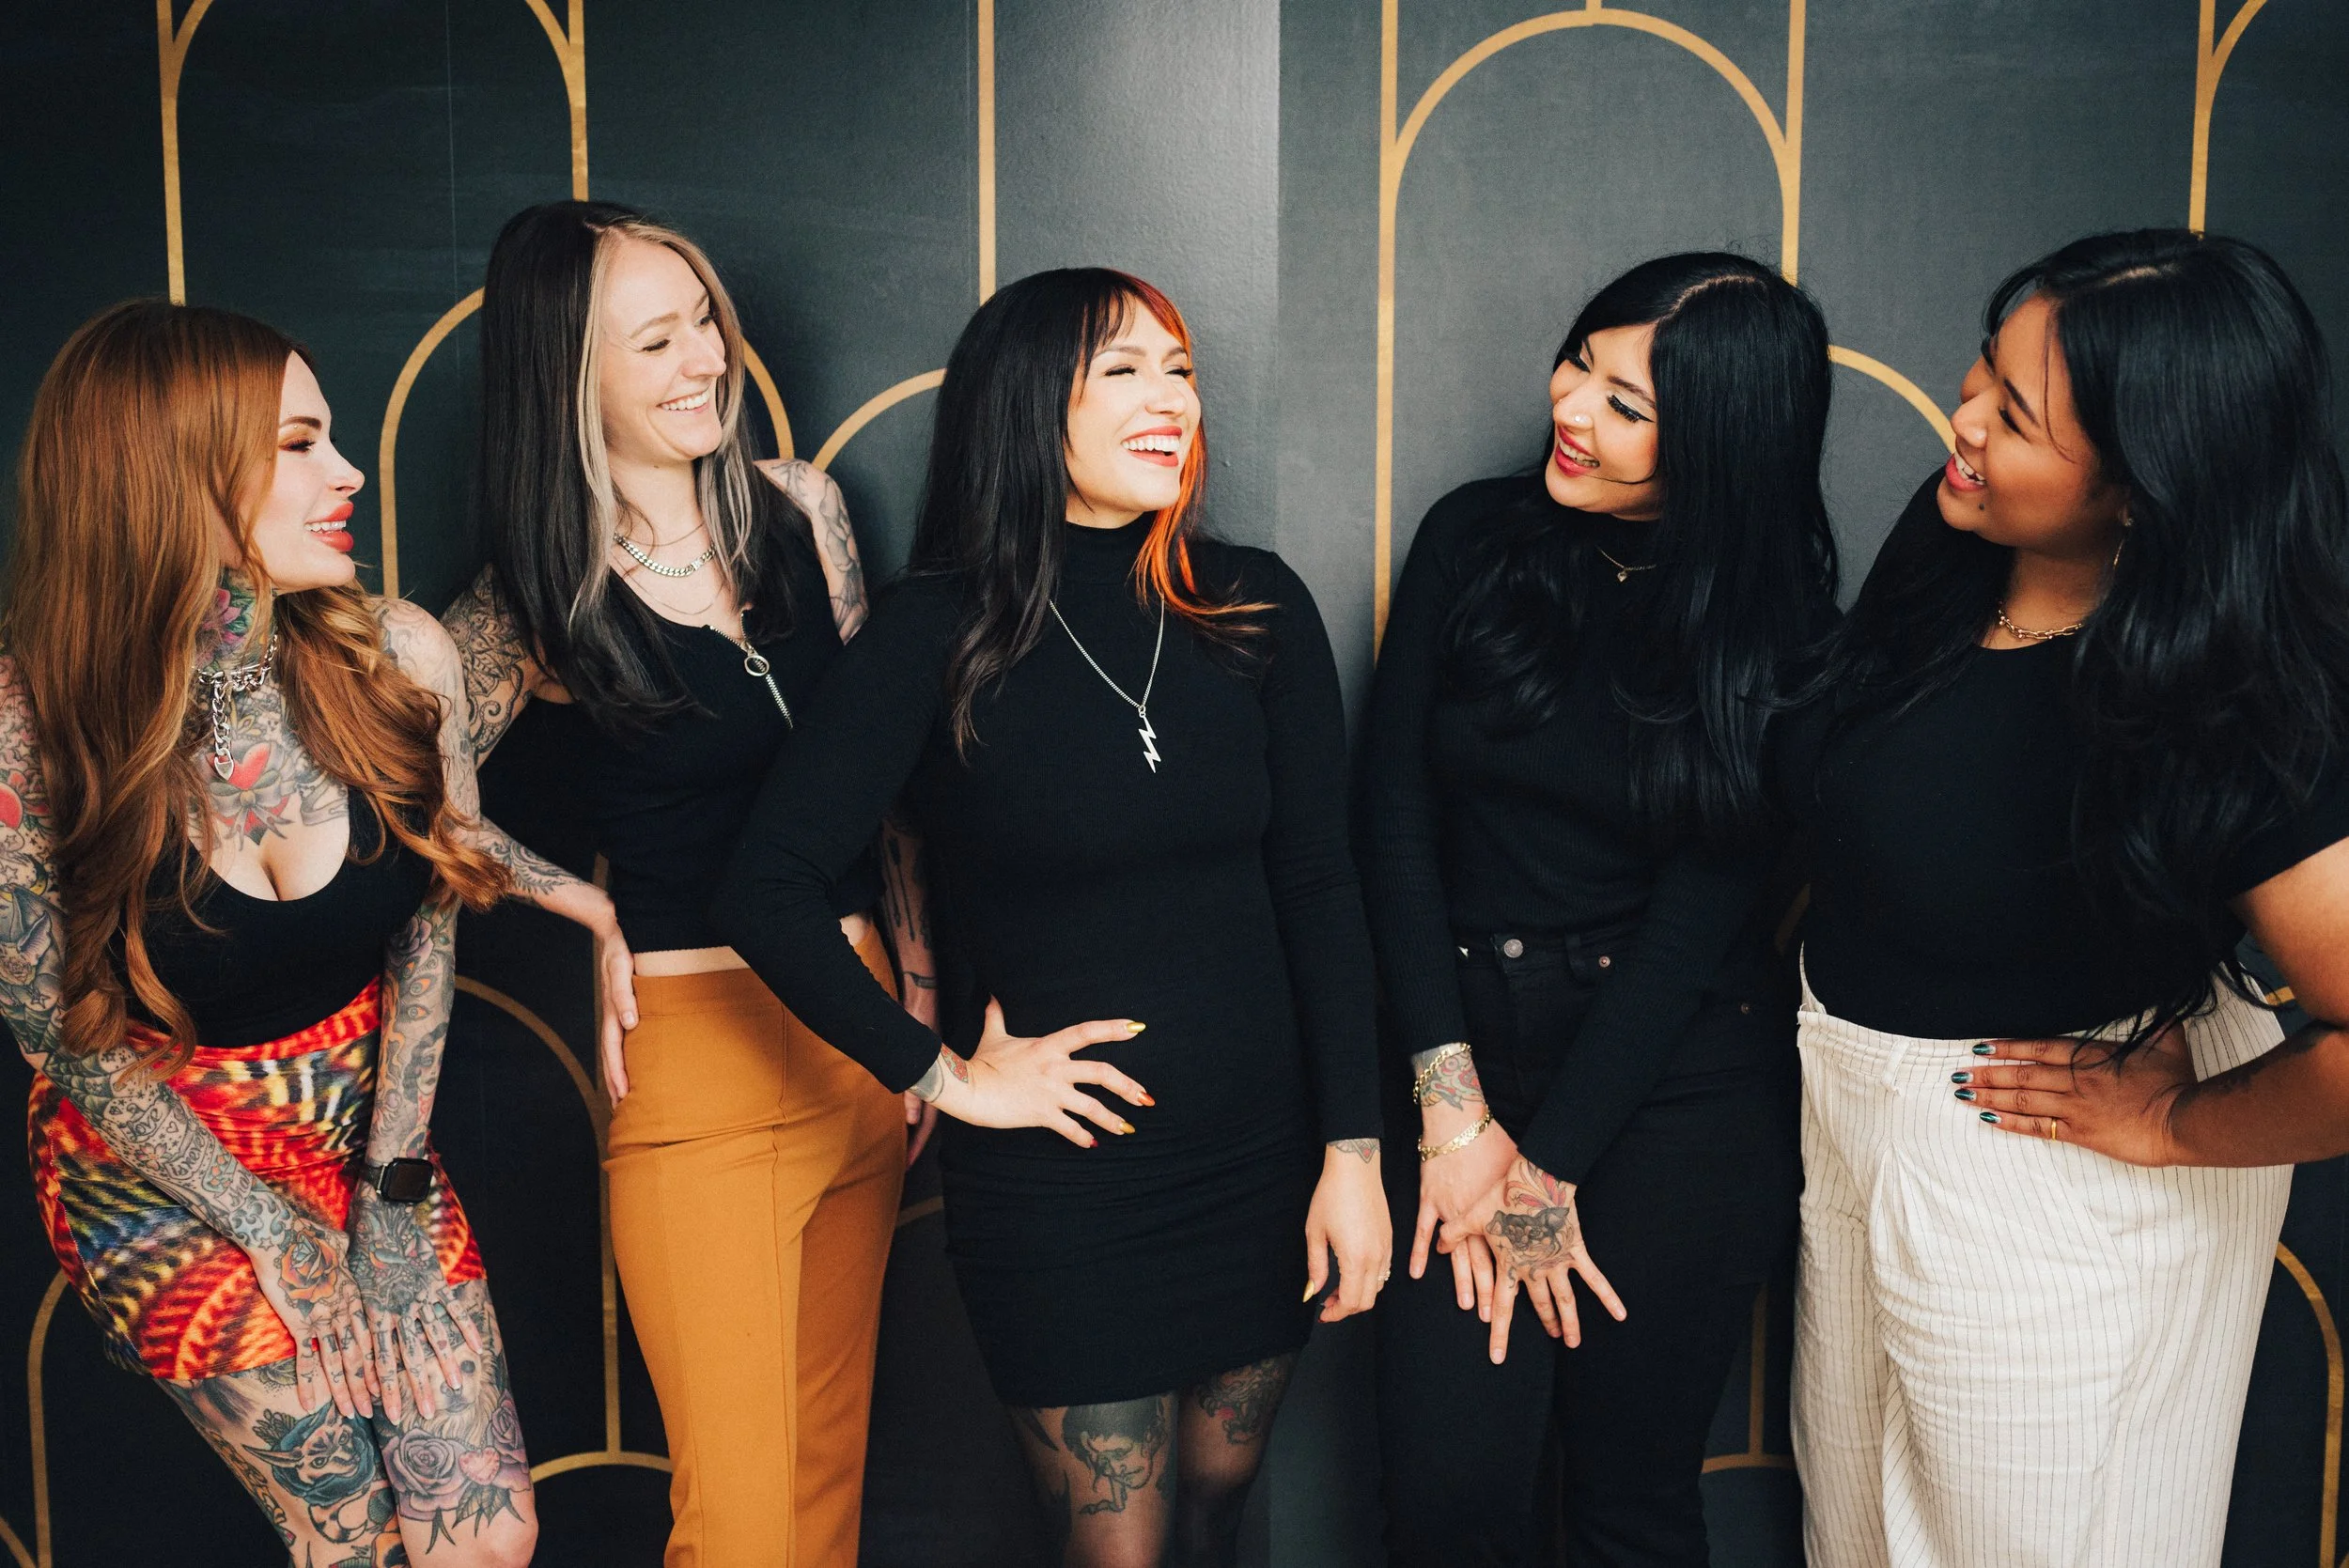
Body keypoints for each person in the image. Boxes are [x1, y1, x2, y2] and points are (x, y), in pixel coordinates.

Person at [711, 267, 1392, 1568]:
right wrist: (946, 1077)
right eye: (1122, 370)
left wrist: (1352, 1157)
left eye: (1179, 370)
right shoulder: (937, 631)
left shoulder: (1254, 605)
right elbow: (768, 883)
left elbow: (1320, 885)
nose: (1170, 399)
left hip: (1260, 1162)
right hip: (1065, 1194)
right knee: (1115, 1552)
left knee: (1213, 1520)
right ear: (1028, 405)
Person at [1781, 228, 2349, 1568]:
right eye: (1984, 367)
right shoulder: (1958, 545)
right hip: (1856, 1133)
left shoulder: (2228, 702)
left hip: (2047, 1184)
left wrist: (2176, 1125)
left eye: (2018, 416)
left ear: (2145, 489)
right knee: (1851, 1542)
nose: (1967, 419)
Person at [437, 199, 934, 1568]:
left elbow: (879, 785)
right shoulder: (530, 602)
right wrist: (575, 897)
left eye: (702, 321)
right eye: (654, 341)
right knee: (740, 1524)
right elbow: (410, 798)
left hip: (858, 1034)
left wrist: (916, 991)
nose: (704, 359)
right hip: (701, 1063)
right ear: (568, 377)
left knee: (825, 1492)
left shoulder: (804, 512)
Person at [8, 300, 535, 1566]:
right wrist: (270, 1229)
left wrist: (390, 1192)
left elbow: (426, 937)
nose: (346, 474)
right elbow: (56, 1034)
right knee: (355, 1543)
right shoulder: (25, 726)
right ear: (165, 474)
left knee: (486, 1539)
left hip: (361, 1127)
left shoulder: (398, 655)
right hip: (161, 1155)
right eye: (299, 445)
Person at [1360, 254, 1838, 1565]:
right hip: (1462, 1061)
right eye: (1581, 362)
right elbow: (1391, 820)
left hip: (1673, 1088)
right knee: (1450, 1509)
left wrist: (1547, 1170)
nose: (1572, 409)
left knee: (1633, 1505)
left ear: (1722, 442)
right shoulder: (1475, 536)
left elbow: (1699, 922)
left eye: (1629, 405)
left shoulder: (1782, 623)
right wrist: (1455, 1117)